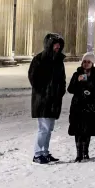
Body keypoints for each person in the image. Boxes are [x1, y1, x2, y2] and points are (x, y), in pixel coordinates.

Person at [27, 33, 67, 164]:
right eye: (56, 44)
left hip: (54, 99)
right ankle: (38, 154)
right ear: (49, 44)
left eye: (59, 44)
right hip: (43, 100)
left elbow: (62, 79)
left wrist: (60, 91)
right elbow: (33, 77)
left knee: (49, 128)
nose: (58, 46)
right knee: (43, 128)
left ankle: (45, 152)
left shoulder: (59, 60)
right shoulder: (40, 59)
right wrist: (44, 92)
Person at [67, 52, 95, 162]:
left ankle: (85, 152)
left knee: (88, 130)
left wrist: (90, 89)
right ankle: (78, 154)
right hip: (78, 105)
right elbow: (70, 89)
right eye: (84, 61)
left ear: (92, 63)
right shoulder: (76, 74)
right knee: (78, 130)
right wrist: (77, 81)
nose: (86, 64)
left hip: (91, 106)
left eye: (88, 62)